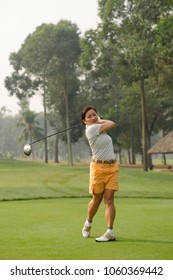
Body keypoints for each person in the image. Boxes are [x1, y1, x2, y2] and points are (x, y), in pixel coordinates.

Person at [81, 105, 119, 242]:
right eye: (89, 116)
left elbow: (109, 124)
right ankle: (88, 222)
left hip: (112, 168)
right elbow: (112, 123)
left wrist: (98, 120)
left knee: (109, 200)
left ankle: (110, 232)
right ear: (84, 121)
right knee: (97, 199)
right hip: (98, 169)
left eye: (94, 115)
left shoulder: (98, 127)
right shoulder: (91, 129)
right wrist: (99, 120)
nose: (93, 117)